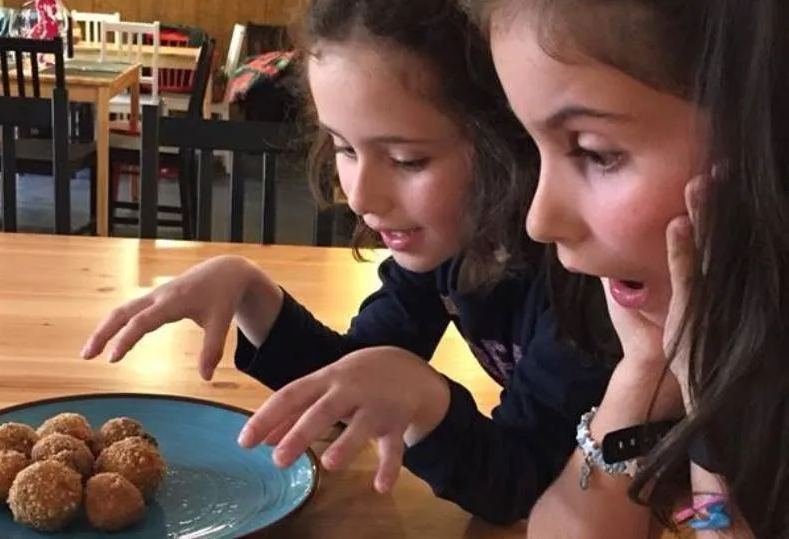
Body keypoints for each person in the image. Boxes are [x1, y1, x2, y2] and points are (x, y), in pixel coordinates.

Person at [81, 0, 614, 525]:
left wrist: (426, 399)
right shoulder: (448, 244)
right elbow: (355, 383)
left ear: (511, 142)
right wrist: (251, 295)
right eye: (344, 148)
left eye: (408, 160)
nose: (360, 196)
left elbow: (523, 483)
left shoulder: (588, 283)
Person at [474, 0, 789, 535]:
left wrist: (708, 405)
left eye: (595, 153)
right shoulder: (652, 320)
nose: (540, 221)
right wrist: (644, 372)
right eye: (535, 147)